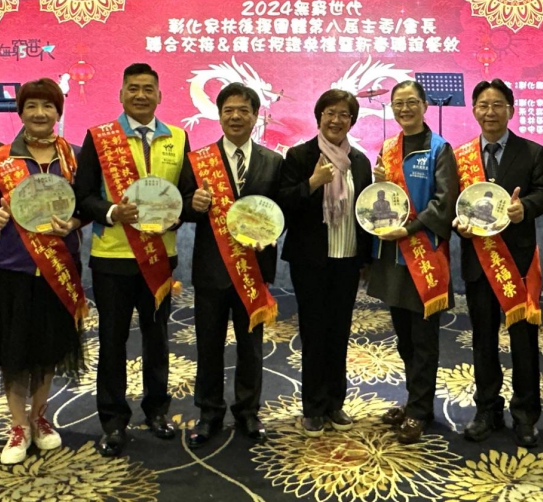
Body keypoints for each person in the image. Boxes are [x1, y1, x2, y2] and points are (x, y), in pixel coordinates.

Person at [74, 63, 191, 457]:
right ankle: (112, 420)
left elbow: (186, 195)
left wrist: (180, 212)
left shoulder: (178, 137)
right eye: (133, 88)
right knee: (112, 340)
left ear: (160, 95)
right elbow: (83, 196)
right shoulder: (100, 137)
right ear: (121, 94)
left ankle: (157, 411)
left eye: (148, 89)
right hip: (112, 257)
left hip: (160, 256)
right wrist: (112, 212)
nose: (141, 95)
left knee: (158, 337)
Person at [0, 78, 87, 464]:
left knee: (48, 349)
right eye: (32, 106)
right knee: (15, 352)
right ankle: (18, 424)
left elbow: (84, 207)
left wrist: (74, 222)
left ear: (58, 112)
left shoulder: (74, 157)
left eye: (48, 106)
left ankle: (40, 416)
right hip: (12, 269)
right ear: (20, 112)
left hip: (59, 267)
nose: (40, 113)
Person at [451, 79, 543, 445]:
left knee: (524, 342)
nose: (490, 112)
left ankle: (525, 415)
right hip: (478, 261)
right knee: (482, 340)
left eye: (497, 105)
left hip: (518, 263)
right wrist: (457, 223)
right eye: (483, 105)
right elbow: (453, 203)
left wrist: (525, 208)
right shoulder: (460, 156)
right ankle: (486, 410)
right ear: (474, 110)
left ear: (511, 109)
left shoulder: (533, 152)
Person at [183, 82, 283, 449]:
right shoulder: (199, 160)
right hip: (212, 269)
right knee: (208, 345)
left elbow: (280, 209)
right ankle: (209, 412)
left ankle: (247, 411)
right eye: (229, 110)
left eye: (243, 110)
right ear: (219, 115)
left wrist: (271, 232)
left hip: (254, 268)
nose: (236, 116)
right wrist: (193, 203)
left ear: (256, 116)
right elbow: (182, 207)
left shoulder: (273, 161)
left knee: (251, 347)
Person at [278, 89, 373, 436]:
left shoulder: (360, 161)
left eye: (344, 114)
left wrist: (366, 259)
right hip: (311, 261)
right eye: (330, 113)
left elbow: (365, 212)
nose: (336, 120)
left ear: (352, 120)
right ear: (319, 116)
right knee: (314, 331)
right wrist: (313, 183)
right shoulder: (300, 155)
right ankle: (313, 407)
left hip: (347, 259)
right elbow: (284, 204)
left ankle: (335, 402)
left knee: (340, 331)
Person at [368, 79, 457, 445]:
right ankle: (414, 402)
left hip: (425, 257)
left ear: (424, 105)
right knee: (404, 338)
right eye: (398, 104)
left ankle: (420, 410)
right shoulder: (389, 147)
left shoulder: (440, 149)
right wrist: (377, 185)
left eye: (411, 102)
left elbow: (444, 202)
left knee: (424, 340)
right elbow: (384, 198)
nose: (404, 109)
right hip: (393, 257)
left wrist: (410, 229)